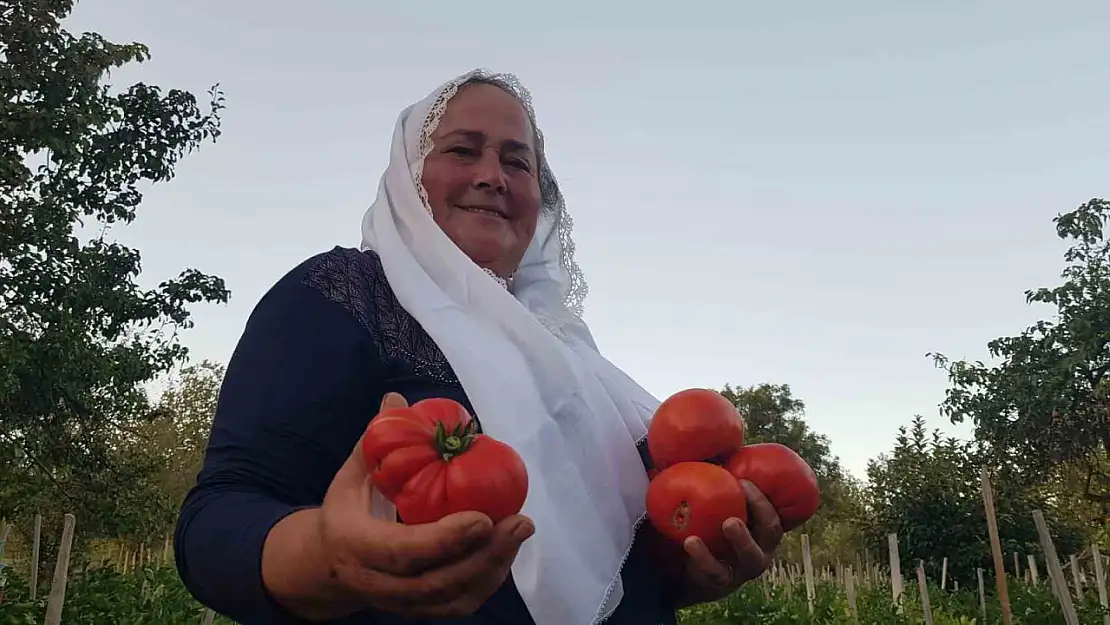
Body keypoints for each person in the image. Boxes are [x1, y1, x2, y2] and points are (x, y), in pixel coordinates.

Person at [174, 69, 784, 625]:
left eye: (518, 163)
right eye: (463, 150)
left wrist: (691, 568)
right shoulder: (346, 294)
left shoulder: (570, 356)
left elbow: (604, 568)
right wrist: (330, 559)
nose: (492, 175)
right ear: (409, 177)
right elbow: (216, 521)